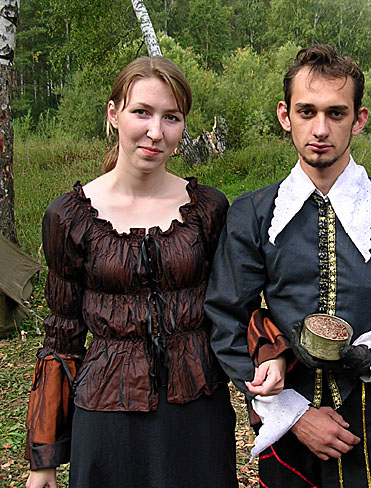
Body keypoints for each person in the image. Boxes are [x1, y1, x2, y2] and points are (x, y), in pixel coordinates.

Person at [206, 44, 371, 488]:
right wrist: (292, 413)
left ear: (359, 119)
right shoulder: (253, 214)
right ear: (285, 116)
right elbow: (226, 314)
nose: (320, 129)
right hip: (283, 416)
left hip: (367, 424)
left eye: (336, 113)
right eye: (307, 111)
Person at [24, 56, 237, 488]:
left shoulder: (209, 210)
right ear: (113, 113)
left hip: (197, 412)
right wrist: (43, 458)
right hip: (107, 417)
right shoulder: (68, 217)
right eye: (142, 112)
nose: (156, 132)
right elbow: (62, 334)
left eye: (171, 117)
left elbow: (231, 312)